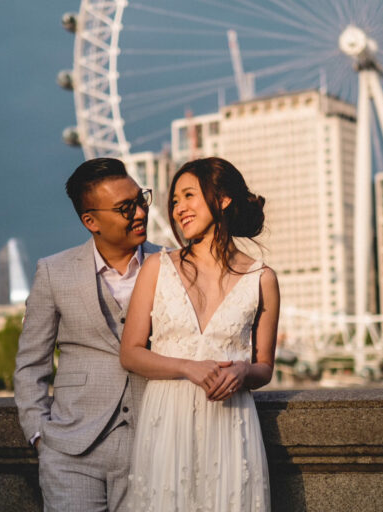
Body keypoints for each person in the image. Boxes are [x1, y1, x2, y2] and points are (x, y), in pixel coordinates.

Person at [120, 157, 279, 511]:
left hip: (230, 424)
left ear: (222, 199)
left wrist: (242, 371)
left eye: (188, 196)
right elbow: (130, 352)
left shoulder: (262, 279)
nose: (178, 209)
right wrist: (187, 367)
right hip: (167, 423)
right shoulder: (156, 268)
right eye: (174, 201)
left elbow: (264, 366)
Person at [14, 157, 161, 511]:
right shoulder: (53, 272)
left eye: (141, 199)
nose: (140, 213)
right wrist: (39, 435)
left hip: (153, 446)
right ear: (90, 221)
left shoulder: (172, 264)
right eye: (125, 208)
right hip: (71, 452)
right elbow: (31, 364)